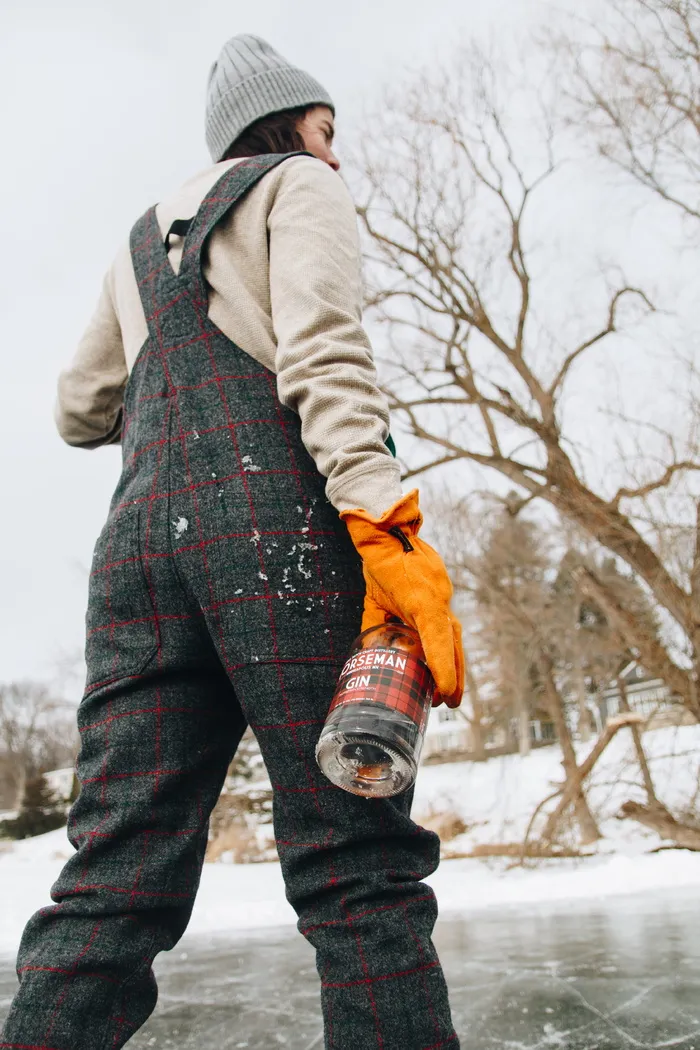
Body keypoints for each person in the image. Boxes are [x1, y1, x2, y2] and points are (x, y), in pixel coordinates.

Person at [0, 34, 464, 1050]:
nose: (335, 154)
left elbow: (80, 412)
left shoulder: (135, 243)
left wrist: (178, 412)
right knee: (356, 865)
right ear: (288, 127)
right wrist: (385, 526)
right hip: (279, 538)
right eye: (326, 130)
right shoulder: (297, 187)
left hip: (138, 562)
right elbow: (326, 359)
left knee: (112, 879)